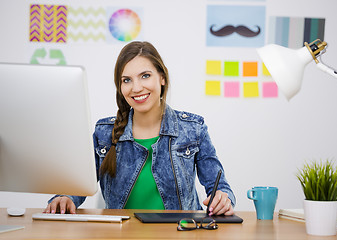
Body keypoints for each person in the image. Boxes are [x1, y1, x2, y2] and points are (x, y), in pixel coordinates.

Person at [45, 41, 236, 216]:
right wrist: (65, 198)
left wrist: (223, 198)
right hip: (121, 236)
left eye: (145, 76)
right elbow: (77, 187)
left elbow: (221, 189)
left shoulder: (193, 129)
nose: (136, 88)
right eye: (126, 80)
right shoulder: (104, 133)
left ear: (162, 78)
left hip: (181, 233)